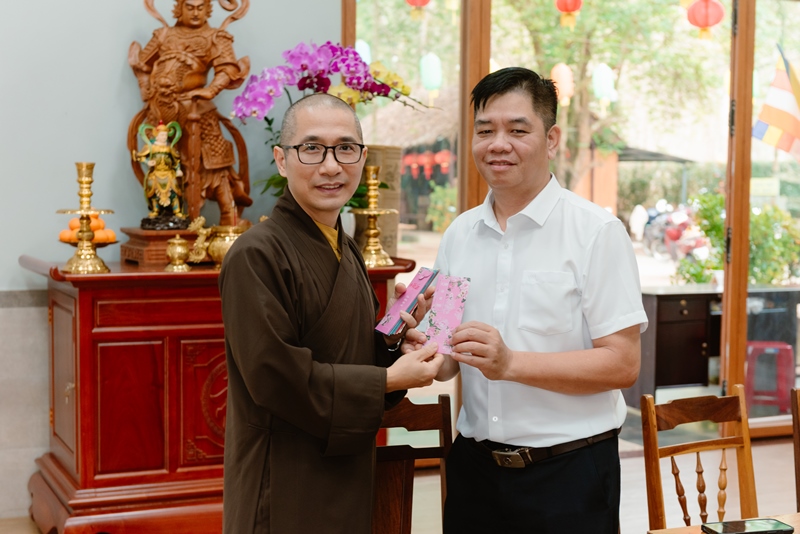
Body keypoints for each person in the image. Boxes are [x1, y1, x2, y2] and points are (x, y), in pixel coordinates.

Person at [416, 67, 648, 533]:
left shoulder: (596, 232)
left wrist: (510, 363)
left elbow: (622, 364)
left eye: (518, 130)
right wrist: (417, 339)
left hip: (570, 475)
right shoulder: (460, 234)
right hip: (474, 473)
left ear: (551, 139)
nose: (498, 144)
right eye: (485, 130)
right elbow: (443, 360)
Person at [218, 93, 444, 534]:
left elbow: (345, 352)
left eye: (345, 148)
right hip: (284, 478)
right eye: (312, 148)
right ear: (282, 160)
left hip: (346, 469)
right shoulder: (255, 254)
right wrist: (388, 380)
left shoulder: (345, 247)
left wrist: (392, 343)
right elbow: (276, 378)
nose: (330, 166)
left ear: (362, 157)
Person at [128, 0, 252, 226]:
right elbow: (142, 65)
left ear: (207, 9)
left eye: (200, 7)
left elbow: (227, 69)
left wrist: (210, 90)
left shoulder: (216, 37)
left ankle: (228, 212)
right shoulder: (163, 35)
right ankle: (168, 212)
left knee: (215, 157)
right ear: (179, 8)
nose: (195, 12)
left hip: (196, 106)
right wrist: (146, 88)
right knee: (162, 160)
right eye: (190, 7)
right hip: (161, 110)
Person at [133, 121, 186, 221]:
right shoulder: (151, 147)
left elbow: (176, 160)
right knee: (152, 190)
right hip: (155, 174)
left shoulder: (169, 147)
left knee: (175, 190)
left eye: (165, 135)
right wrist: (148, 162)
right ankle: (155, 210)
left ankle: (177, 210)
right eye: (162, 135)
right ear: (156, 136)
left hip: (169, 173)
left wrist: (178, 169)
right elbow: (140, 157)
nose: (164, 137)